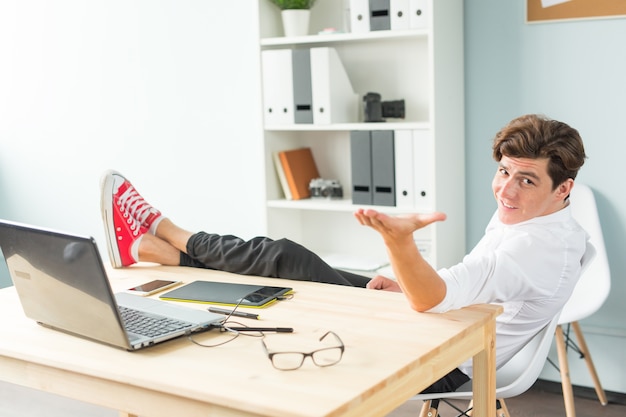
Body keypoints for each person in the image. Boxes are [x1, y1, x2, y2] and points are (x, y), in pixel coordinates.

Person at [100, 113, 588, 394]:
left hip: (445, 358)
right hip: (450, 325)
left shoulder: (534, 246)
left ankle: (160, 228)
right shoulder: (536, 215)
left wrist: (399, 244)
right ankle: (156, 250)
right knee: (286, 268)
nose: (506, 189)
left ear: (562, 188)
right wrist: (406, 281)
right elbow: (468, 285)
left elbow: (435, 296)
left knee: (286, 264)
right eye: (504, 171)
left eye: (526, 179)